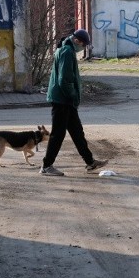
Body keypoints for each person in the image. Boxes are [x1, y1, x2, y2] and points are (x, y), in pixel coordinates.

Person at [39, 29, 107, 176]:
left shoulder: (65, 48)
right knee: (58, 134)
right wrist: (73, 96)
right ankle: (46, 166)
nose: (83, 48)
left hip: (64, 100)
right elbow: (64, 80)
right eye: (83, 45)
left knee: (77, 132)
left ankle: (90, 162)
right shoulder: (67, 52)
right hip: (62, 100)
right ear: (77, 41)